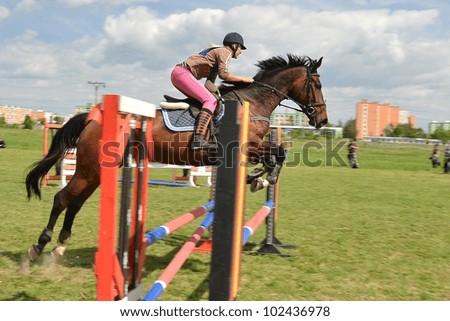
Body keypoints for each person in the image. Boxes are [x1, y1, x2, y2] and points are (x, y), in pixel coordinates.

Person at [171, 32, 254, 149]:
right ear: (234, 46)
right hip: (182, 73)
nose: (241, 52)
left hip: (179, 74)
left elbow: (209, 84)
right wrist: (244, 79)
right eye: (241, 48)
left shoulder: (217, 55)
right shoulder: (225, 52)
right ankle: (198, 138)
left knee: (210, 99)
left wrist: (223, 91)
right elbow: (224, 75)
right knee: (210, 101)